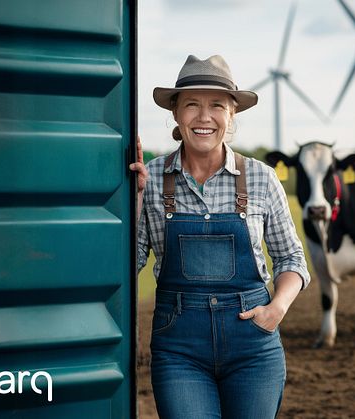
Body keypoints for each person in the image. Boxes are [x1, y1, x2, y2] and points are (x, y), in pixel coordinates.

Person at [129, 54, 309, 419]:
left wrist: (277, 309)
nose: (204, 117)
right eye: (192, 104)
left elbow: (291, 258)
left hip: (253, 347)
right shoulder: (148, 179)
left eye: (217, 106)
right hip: (179, 348)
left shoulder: (262, 178)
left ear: (232, 116)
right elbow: (127, 265)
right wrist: (133, 204)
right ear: (176, 114)